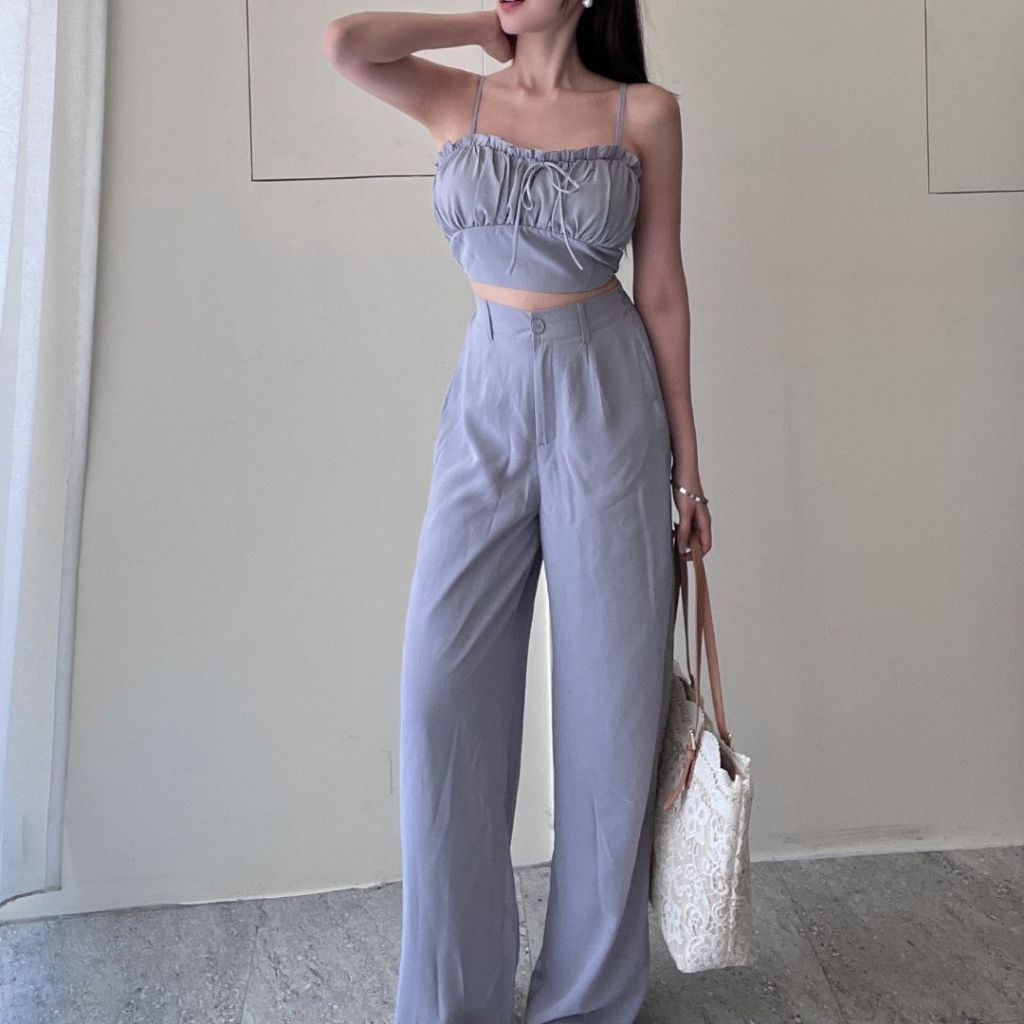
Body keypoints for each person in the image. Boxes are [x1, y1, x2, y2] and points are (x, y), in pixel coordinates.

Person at [323, 3, 711, 1020]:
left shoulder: (645, 114)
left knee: (611, 716)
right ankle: (453, 997)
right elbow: (345, 44)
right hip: (488, 401)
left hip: (606, 401)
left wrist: (688, 472)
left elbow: (662, 291)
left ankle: (585, 999)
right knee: (439, 700)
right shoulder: (456, 95)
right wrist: (479, 25)